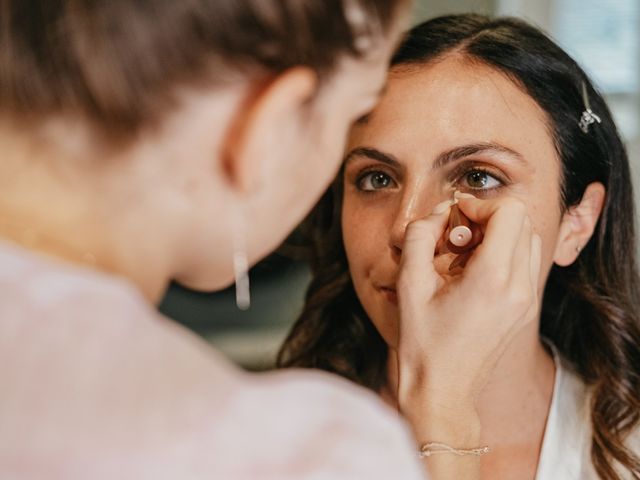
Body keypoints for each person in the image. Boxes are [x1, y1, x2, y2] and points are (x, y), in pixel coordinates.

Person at [0, 1, 432, 478]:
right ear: (269, 126)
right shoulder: (296, 455)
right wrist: (445, 415)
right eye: (354, 115)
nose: (408, 227)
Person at [278, 14, 640, 479]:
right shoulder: (265, 446)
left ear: (577, 222)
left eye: (478, 177)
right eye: (377, 178)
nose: (407, 227)